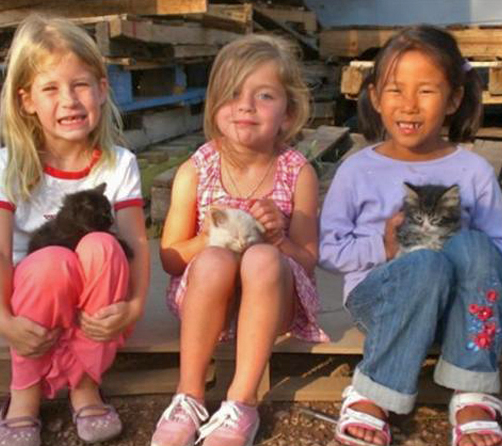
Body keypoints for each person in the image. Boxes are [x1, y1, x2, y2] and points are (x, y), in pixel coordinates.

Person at [319, 25, 502, 446]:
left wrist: (461, 241)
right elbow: (328, 251)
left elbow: (499, 249)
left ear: (454, 99)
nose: (408, 105)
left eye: (426, 91)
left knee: (476, 246)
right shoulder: (358, 170)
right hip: (382, 301)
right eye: (394, 90)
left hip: (456, 314)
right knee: (422, 262)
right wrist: (384, 246)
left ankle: (472, 388)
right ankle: (375, 392)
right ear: (373, 96)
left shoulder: (473, 171)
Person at [150, 34, 329, 446]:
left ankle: (240, 402)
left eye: (264, 95)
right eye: (232, 94)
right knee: (214, 261)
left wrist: (278, 238)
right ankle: (189, 394)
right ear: (214, 106)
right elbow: (172, 258)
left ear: (287, 113)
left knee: (263, 259)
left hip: (272, 308)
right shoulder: (196, 170)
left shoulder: (297, 173)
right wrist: (215, 238)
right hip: (205, 305)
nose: (246, 106)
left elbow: (307, 259)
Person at [0, 15, 149, 446]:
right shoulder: (8, 165)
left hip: (100, 293)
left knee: (103, 245)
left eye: (80, 85)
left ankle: (84, 383)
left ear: (101, 90)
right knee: (50, 260)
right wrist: (3, 320)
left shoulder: (119, 163)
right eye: (51, 88)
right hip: (35, 293)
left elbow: (136, 242)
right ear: (26, 101)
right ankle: (24, 394)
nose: (69, 101)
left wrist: (133, 307)